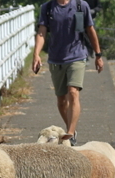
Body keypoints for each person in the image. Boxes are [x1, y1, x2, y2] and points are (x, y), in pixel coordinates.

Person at [32, 0, 104, 146]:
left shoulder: (80, 5)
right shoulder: (48, 7)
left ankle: (70, 134)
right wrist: (36, 54)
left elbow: (90, 30)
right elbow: (41, 31)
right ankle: (71, 130)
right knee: (61, 100)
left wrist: (98, 55)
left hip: (77, 56)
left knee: (73, 92)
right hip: (56, 58)